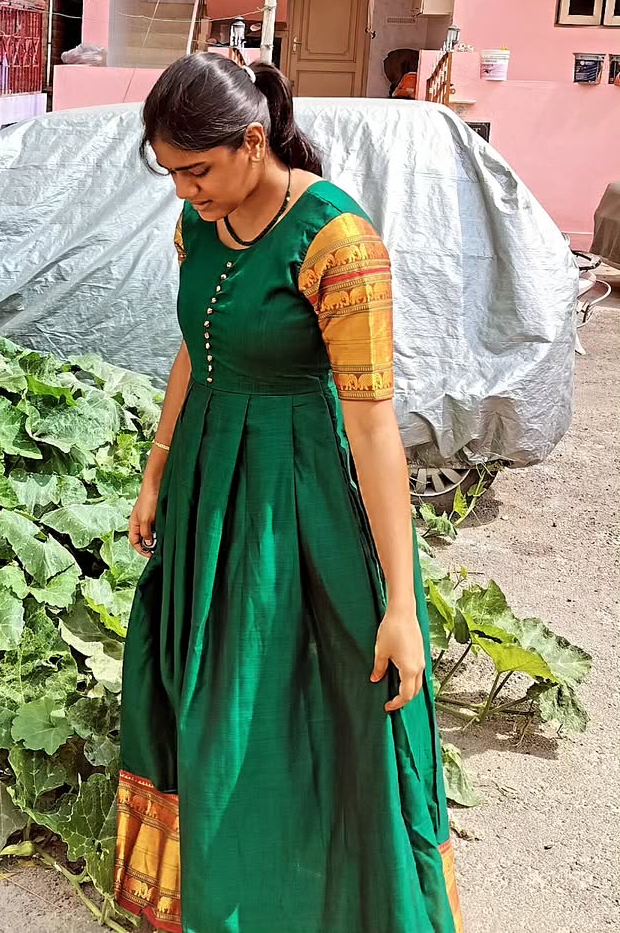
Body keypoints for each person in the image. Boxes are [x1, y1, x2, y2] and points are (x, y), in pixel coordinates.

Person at [114, 54, 463, 933]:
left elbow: (374, 428)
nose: (184, 190)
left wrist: (401, 603)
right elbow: (200, 342)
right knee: (207, 688)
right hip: (207, 484)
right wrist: (157, 468)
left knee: (317, 703)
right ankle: (224, 888)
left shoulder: (337, 242)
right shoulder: (202, 225)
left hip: (295, 503)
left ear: (252, 140)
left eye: (196, 169)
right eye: (171, 174)